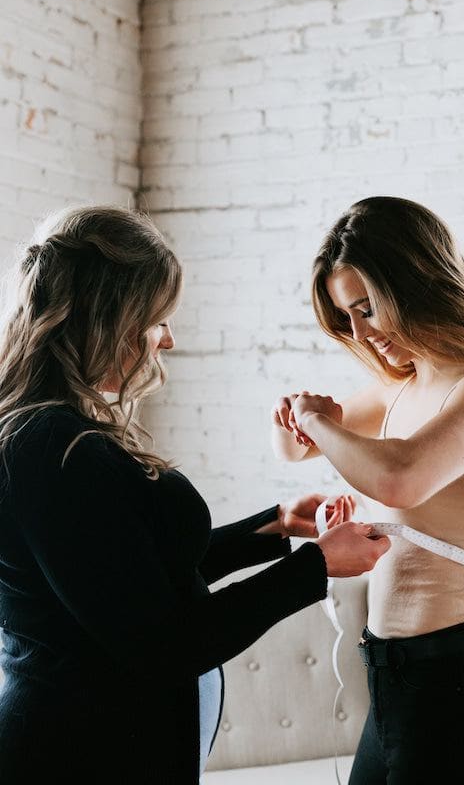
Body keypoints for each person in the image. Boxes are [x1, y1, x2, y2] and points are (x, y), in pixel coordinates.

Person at [0, 206, 391, 784]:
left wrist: (276, 525)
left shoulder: (53, 432)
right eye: (158, 319)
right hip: (76, 754)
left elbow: (133, 579)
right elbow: (165, 644)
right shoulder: (53, 447)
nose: (169, 339)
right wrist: (319, 566)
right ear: (111, 316)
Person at [271, 196, 464, 785]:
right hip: (394, 683)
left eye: (367, 308)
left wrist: (317, 421)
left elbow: (399, 475)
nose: (362, 334)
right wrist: (293, 416)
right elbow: (293, 450)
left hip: (461, 684)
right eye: (348, 318)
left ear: (417, 280)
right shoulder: (404, 386)